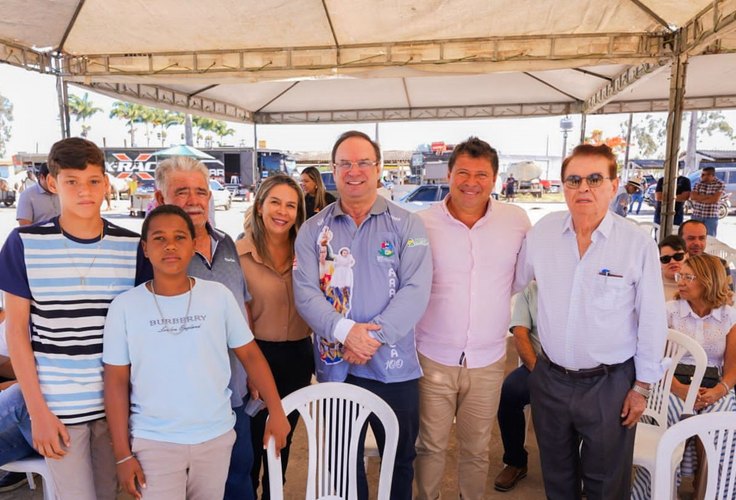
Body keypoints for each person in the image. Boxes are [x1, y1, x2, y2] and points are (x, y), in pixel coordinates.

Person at [104, 205, 290, 500]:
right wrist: (123, 455)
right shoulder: (125, 307)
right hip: (154, 442)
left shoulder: (218, 297)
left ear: (193, 245)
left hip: (215, 437)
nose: (170, 246)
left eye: (180, 237)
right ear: (145, 248)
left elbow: (251, 355)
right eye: (159, 239)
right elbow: (114, 382)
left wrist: (277, 411)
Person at [515, 144, 667, 499]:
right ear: (563, 186)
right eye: (574, 179)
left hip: (609, 385)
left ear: (614, 186)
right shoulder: (542, 234)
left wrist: (642, 387)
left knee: (605, 483)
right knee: (557, 477)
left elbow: (652, 319)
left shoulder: (636, 244)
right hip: (550, 379)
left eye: (595, 178)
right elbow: (514, 283)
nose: (584, 188)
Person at [0, 138, 145, 500]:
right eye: (72, 182)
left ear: (106, 184)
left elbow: (140, 332)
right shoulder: (24, 243)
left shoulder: (131, 246)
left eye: (94, 181)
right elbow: (17, 332)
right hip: (59, 410)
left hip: (115, 408)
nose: (85, 191)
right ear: (52, 183)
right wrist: (38, 412)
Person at [293, 130, 432, 500]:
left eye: (363, 162)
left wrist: (370, 338)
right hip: (338, 369)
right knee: (343, 463)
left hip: (395, 368)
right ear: (333, 171)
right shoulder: (312, 230)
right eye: (345, 164)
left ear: (379, 168)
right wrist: (345, 332)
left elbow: (416, 290)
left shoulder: (408, 225)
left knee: (399, 460)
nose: (354, 171)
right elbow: (305, 293)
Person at [413, 137, 531, 500]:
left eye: (481, 174)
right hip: (432, 356)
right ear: (448, 174)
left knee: (477, 448)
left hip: (488, 358)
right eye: (462, 172)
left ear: (494, 179)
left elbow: (520, 279)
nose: (471, 182)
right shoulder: (421, 224)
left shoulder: (516, 221)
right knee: (430, 445)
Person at [152, 155, 258, 500]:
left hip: (234, 397)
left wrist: (252, 371)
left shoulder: (226, 243)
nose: (194, 200)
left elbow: (242, 307)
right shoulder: (151, 256)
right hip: (184, 410)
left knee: (239, 482)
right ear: (159, 198)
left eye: (201, 191)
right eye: (181, 191)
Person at [631, 254, 736, 499]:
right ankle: (658, 490)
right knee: (669, 418)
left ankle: (714, 492)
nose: (681, 282)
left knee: (725, 424)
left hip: (713, 384)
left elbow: (732, 368)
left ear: (709, 281)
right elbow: (652, 356)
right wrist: (679, 388)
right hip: (671, 380)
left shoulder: (729, 316)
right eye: (681, 276)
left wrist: (719, 391)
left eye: (689, 277)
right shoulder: (669, 311)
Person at [235, 175, 313, 498]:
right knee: (252, 444)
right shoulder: (238, 255)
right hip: (255, 355)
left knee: (283, 440)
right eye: (275, 203)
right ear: (260, 206)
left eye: (291, 205)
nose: (283, 212)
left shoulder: (309, 252)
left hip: (297, 356)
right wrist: (249, 371)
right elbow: (238, 316)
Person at [494, 282, 539, 493]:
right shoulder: (530, 291)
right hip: (537, 367)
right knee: (509, 393)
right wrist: (538, 371)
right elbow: (520, 333)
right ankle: (515, 461)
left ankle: (582, 467)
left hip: (574, 371)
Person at [679, 219, 734, 292]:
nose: (697, 243)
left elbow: (729, 297)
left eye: (702, 238)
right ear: (680, 239)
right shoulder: (671, 263)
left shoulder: (720, 264)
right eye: (691, 238)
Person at [690, 166, 725, 236]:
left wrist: (699, 198)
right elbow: (693, 197)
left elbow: (714, 200)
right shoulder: (698, 183)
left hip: (711, 217)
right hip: (697, 215)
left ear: (711, 175)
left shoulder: (720, 184)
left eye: (704, 175)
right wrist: (708, 197)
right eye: (702, 174)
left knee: (710, 238)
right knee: (694, 236)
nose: (702, 176)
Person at [659, 235, 688, 301]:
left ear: (687, 256)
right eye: (665, 259)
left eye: (678, 256)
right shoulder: (652, 282)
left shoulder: (697, 281)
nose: (672, 262)